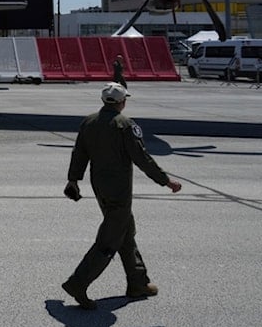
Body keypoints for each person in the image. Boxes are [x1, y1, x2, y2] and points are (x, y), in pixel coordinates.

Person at [61, 82, 182, 310]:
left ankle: (138, 282)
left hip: (101, 188)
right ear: (122, 102)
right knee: (109, 240)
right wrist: (166, 181)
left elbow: (79, 153)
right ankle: (78, 283)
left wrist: (73, 180)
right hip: (119, 191)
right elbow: (142, 158)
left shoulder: (89, 122)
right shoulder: (125, 125)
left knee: (125, 231)